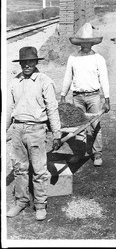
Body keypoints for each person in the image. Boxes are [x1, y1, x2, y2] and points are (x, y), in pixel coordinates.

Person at [6, 46, 62, 220]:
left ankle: (40, 204)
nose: (27, 65)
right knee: (19, 168)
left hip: (37, 130)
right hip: (17, 130)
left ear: (36, 62)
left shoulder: (45, 81)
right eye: (24, 62)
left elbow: (52, 108)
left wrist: (57, 133)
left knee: (38, 169)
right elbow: (8, 109)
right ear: (20, 63)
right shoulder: (14, 82)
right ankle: (21, 201)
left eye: (30, 61)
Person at [60, 23, 110, 167]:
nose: (86, 44)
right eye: (83, 42)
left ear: (92, 43)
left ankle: (97, 153)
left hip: (94, 96)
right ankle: (79, 153)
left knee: (95, 125)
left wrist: (107, 99)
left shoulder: (98, 58)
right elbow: (67, 77)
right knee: (78, 127)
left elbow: (104, 79)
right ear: (80, 43)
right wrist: (63, 95)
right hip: (77, 96)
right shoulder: (73, 57)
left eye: (88, 42)